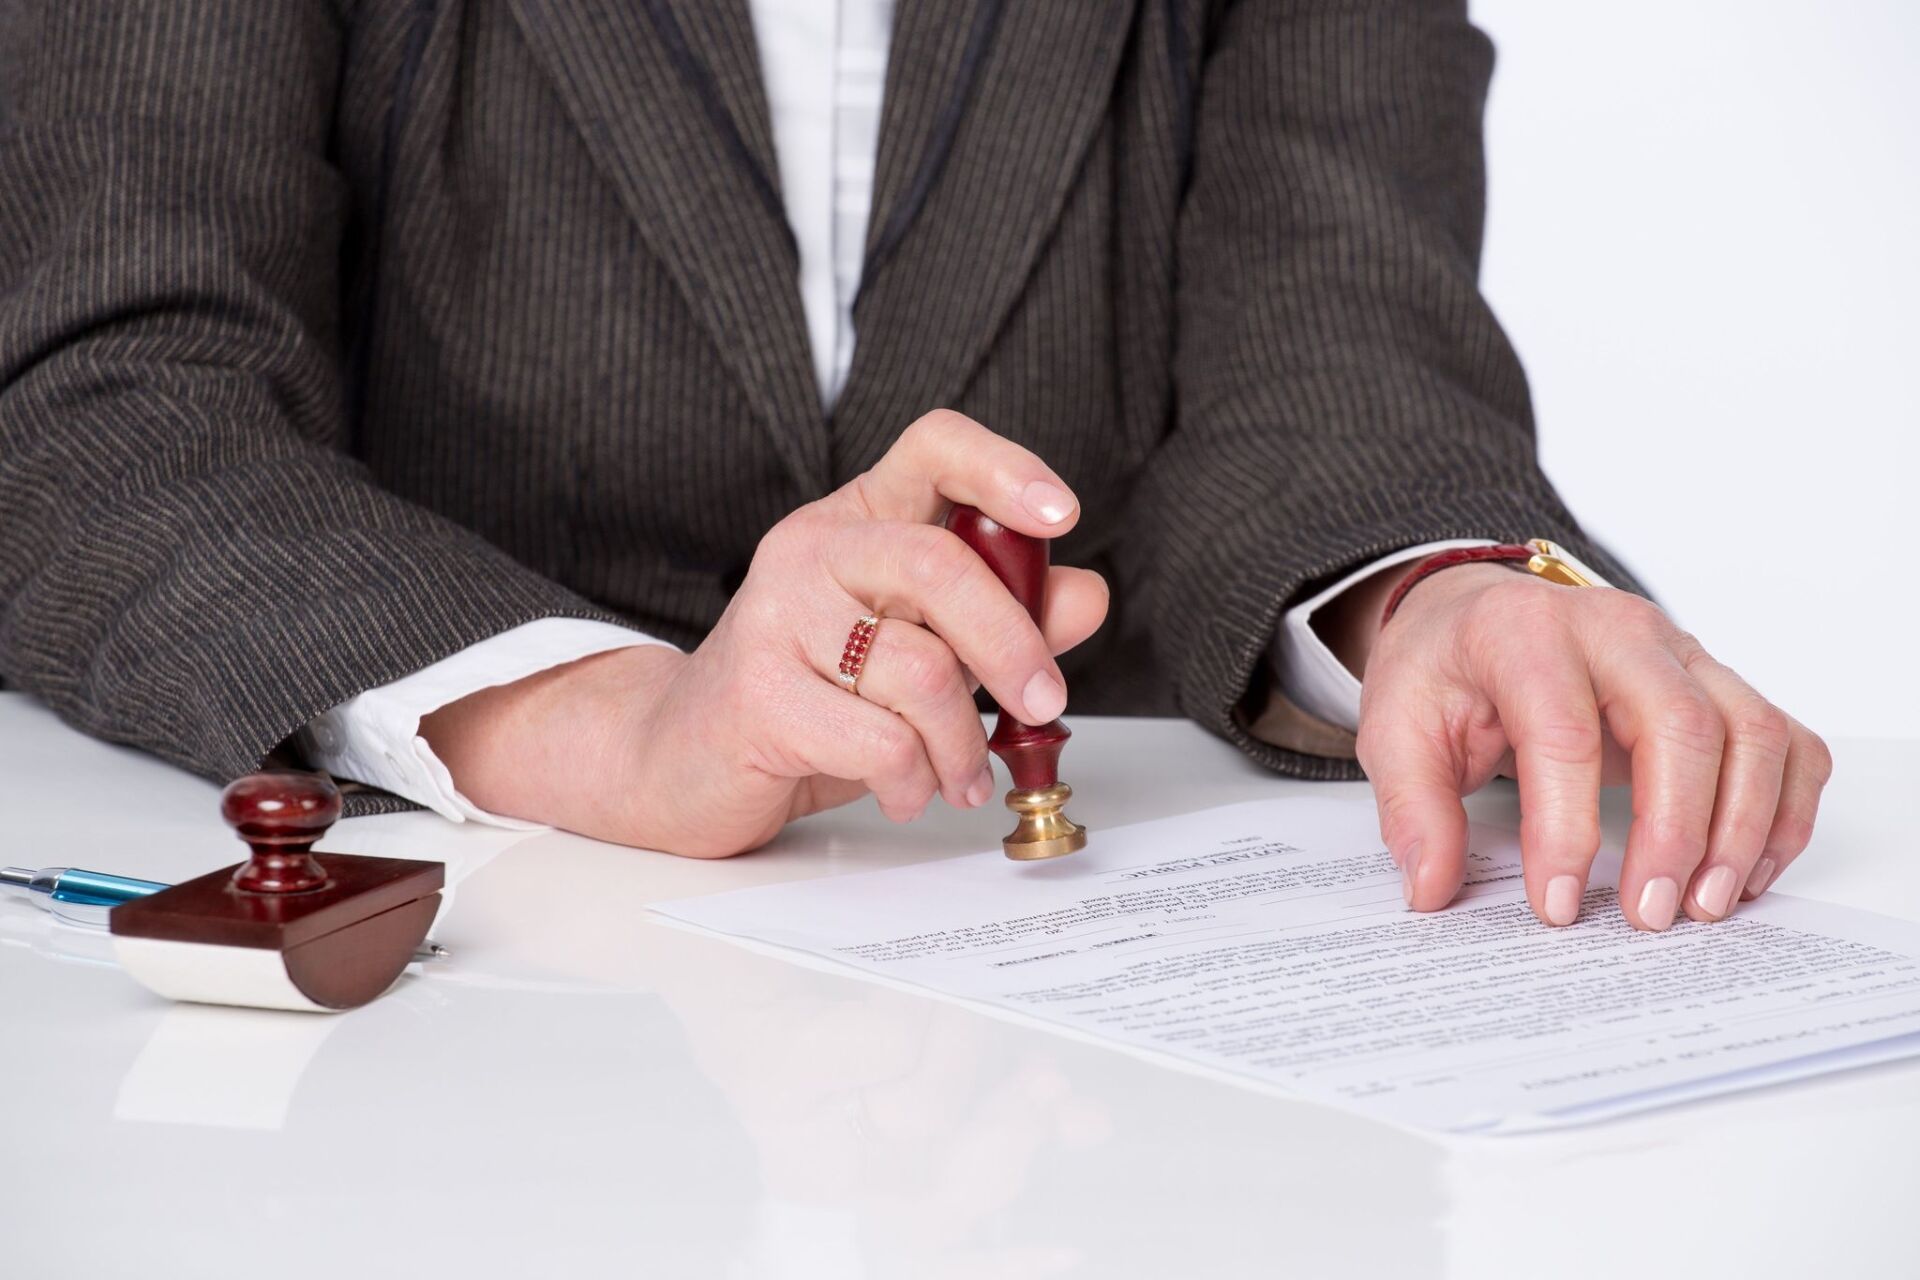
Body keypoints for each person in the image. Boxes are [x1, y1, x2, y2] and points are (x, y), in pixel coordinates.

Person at [0, 0, 1828, 933]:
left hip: (1084, 1010)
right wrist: (611, 722)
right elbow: (106, 389)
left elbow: (1337, 327)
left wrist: (1430, 590)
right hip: (466, 964)